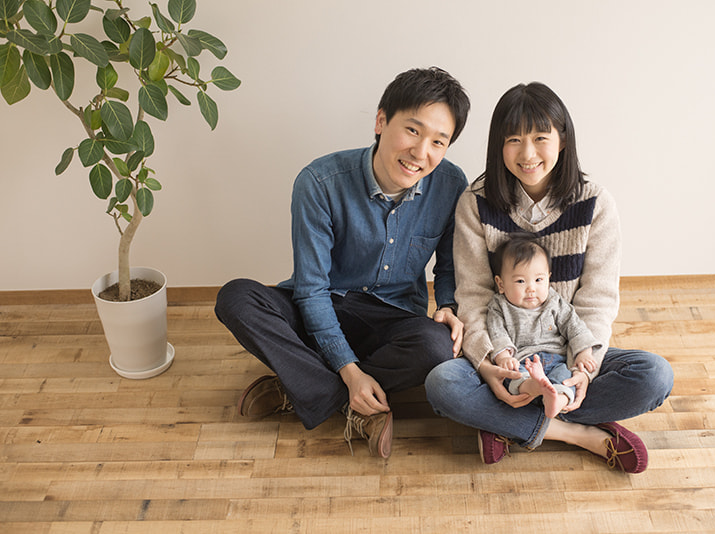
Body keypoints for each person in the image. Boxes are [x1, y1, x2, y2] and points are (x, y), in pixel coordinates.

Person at [215, 67, 470, 459]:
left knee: (437, 346)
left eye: (439, 141)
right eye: (413, 130)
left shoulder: (451, 184)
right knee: (236, 298)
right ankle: (348, 397)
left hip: (392, 317)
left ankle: (300, 386)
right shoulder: (319, 182)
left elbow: (449, 266)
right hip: (322, 304)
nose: (421, 153)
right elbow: (311, 289)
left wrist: (448, 304)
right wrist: (349, 371)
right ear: (381, 121)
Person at [424, 82, 673, 473]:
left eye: (540, 138)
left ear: (562, 140)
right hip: (505, 355)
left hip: (566, 353)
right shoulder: (476, 202)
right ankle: (578, 433)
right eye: (514, 140)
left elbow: (597, 299)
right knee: (442, 383)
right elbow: (472, 296)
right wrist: (489, 365)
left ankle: (505, 423)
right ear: (498, 145)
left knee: (655, 375)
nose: (528, 154)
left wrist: (583, 368)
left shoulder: (595, 203)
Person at [488, 235, 600, 419]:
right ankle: (536, 387)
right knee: (514, 377)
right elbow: (497, 333)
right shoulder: (499, 306)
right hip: (523, 361)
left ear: (548, 278)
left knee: (567, 378)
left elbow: (574, 326)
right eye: (520, 281)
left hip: (556, 358)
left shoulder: (554, 301)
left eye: (538, 280)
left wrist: (584, 353)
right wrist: (504, 357)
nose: (531, 288)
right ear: (501, 284)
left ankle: (557, 400)